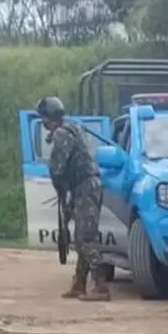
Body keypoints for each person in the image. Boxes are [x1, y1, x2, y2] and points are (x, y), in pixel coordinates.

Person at [36, 96, 108, 301]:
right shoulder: (73, 129)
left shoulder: (61, 133)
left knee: (86, 238)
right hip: (84, 186)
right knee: (80, 237)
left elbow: (57, 168)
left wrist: (60, 190)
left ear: (48, 118)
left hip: (85, 186)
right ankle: (79, 284)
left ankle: (101, 286)